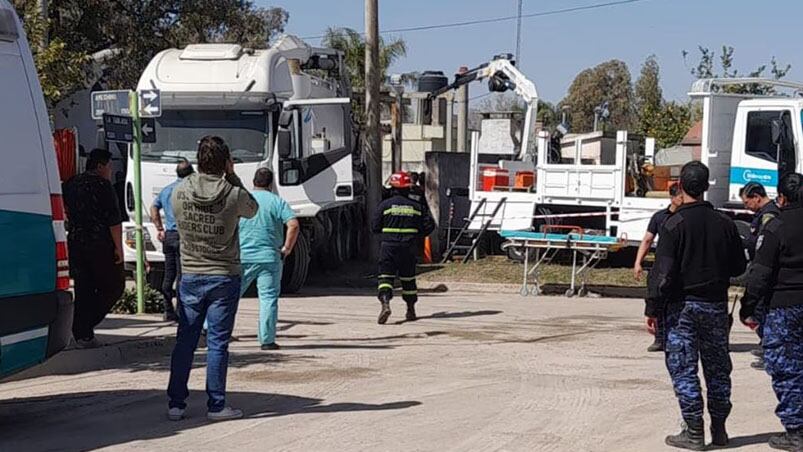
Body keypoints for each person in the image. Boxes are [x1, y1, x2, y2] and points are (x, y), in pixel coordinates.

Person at [646, 161, 746, 450]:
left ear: (681, 186)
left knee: (684, 368)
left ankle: (693, 431)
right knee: (717, 368)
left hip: (683, 308)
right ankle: (720, 428)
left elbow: (662, 274)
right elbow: (739, 266)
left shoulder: (673, 225)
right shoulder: (725, 224)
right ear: (706, 186)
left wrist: (652, 308)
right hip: (715, 305)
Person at [166, 136, 257, 422]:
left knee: (185, 340)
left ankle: (176, 404)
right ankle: (216, 405)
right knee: (218, 343)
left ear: (197, 160)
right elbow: (252, 210)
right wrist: (234, 176)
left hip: (190, 273)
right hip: (223, 276)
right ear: (226, 163)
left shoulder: (179, 191)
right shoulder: (233, 192)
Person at [740, 172, 803, 452]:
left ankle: (796, 430)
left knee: (785, 367)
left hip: (784, 306)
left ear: (782, 197)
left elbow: (760, 274)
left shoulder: (776, 227)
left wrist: (748, 306)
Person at [63, 148, 126, 349]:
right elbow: (113, 221)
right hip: (99, 244)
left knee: (84, 288)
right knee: (115, 286)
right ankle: (83, 326)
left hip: (76, 242)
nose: (109, 171)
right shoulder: (103, 185)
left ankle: (83, 334)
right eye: (108, 166)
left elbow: (65, 212)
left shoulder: (71, 184)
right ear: (100, 166)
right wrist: (119, 248)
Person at [238, 168, 299, 351]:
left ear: (254, 182)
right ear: (271, 184)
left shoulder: (244, 201)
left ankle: (211, 330)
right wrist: (286, 249)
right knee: (268, 298)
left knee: (230, 295)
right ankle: (267, 340)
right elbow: (293, 224)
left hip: (243, 256)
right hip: (270, 257)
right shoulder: (277, 202)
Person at [372, 171, 435, 324]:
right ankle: (410, 309)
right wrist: (417, 234)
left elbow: (374, 226)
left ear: (392, 188)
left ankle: (385, 304)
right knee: (408, 279)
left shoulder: (384, 206)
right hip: (408, 247)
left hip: (388, 247)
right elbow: (429, 226)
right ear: (408, 188)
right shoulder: (417, 207)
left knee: (385, 278)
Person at [634, 183, 682, 352]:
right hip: (662, 266)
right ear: (673, 197)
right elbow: (647, 239)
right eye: (680, 197)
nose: (683, 200)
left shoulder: (688, 217)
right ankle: (660, 338)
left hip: (681, 266)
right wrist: (638, 262)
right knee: (657, 300)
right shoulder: (660, 217)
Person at [739, 181, 781, 370]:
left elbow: (765, 247)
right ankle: (768, 346)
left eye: (747, 202)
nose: (746, 206)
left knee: (760, 312)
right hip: (760, 268)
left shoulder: (769, 216)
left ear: (756, 197)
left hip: (765, 271)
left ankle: (770, 351)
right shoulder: (762, 214)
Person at [151, 159, 194, 323]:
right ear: (190, 174)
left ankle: (167, 309)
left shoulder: (167, 190)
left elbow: (154, 207)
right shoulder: (189, 190)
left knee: (168, 275)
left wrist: (159, 228)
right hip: (185, 235)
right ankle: (181, 311)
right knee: (183, 276)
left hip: (169, 235)